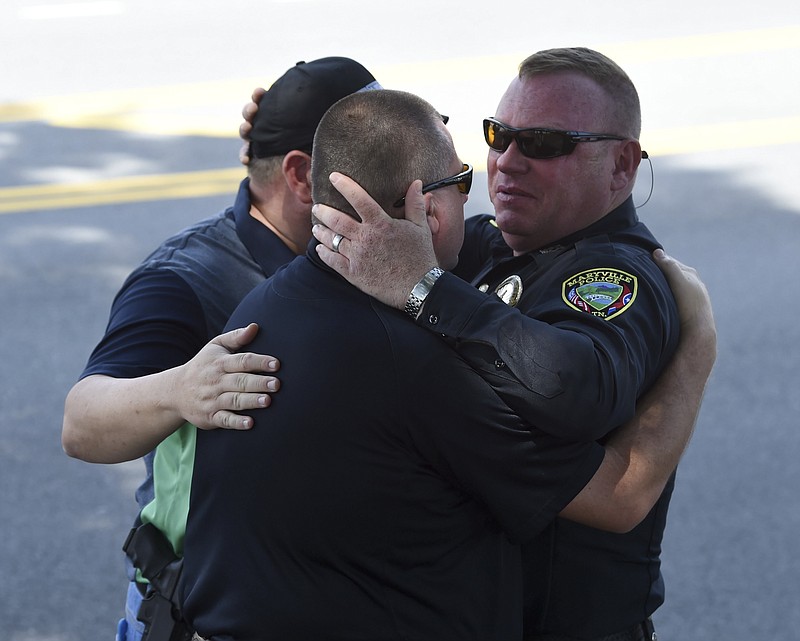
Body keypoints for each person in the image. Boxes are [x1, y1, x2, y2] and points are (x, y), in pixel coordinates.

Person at [180, 87, 715, 641]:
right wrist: (696, 353)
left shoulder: (262, 308)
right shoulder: (411, 366)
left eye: (542, 143)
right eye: (467, 176)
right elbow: (621, 494)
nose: (500, 169)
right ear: (427, 210)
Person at [310, 48, 690, 640]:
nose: (508, 162)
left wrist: (424, 289)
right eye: (498, 135)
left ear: (621, 166)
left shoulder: (619, 276)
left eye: (544, 143)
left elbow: (576, 383)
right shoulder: (498, 248)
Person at [61, 57, 383, 641]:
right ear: (303, 175)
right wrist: (180, 389)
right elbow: (82, 423)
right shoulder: (187, 278)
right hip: (203, 616)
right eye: (374, 156)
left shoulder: (370, 249)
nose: (395, 172)